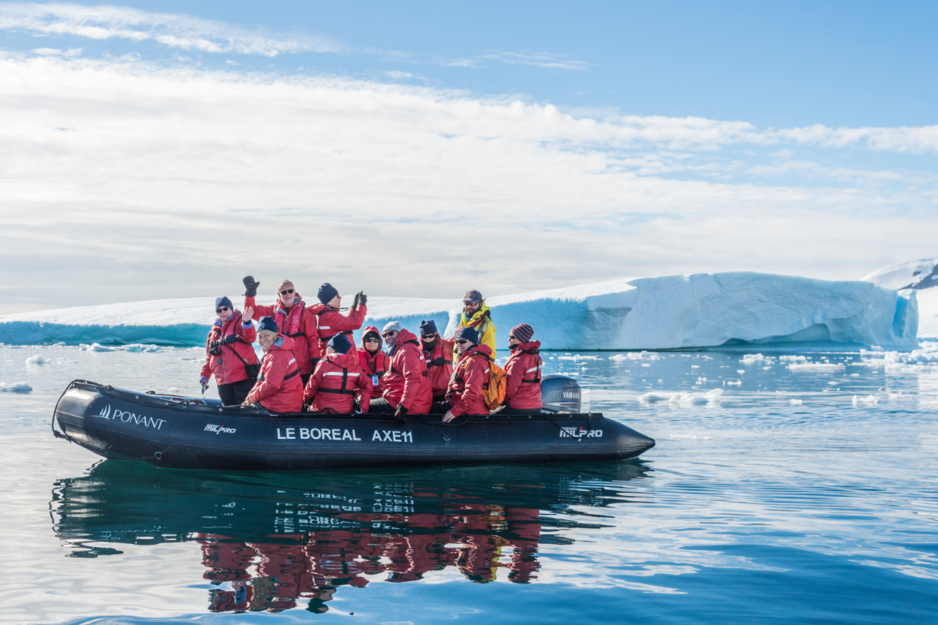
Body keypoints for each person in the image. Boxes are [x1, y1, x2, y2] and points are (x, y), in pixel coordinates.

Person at [242, 276, 320, 388]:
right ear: (279, 294)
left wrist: (315, 361)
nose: (287, 294)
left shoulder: (305, 314)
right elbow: (250, 311)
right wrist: (250, 293)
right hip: (278, 367)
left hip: (302, 368)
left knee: (301, 401)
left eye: (290, 291)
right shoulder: (272, 311)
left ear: (295, 292)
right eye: (284, 292)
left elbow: (313, 339)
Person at [200, 297, 259, 406]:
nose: (223, 312)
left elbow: (250, 337)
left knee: (245, 409)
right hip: (223, 383)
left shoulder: (239, 323)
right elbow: (209, 357)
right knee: (229, 411)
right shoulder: (213, 334)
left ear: (231, 308)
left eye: (225, 308)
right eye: (219, 310)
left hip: (242, 379)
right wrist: (204, 376)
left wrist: (247, 322)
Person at [370, 321, 432, 418]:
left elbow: (413, 379)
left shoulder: (406, 350)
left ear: (399, 333)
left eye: (391, 333)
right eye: (384, 335)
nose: (387, 337)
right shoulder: (401, 348)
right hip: (405, 401)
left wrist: (403, 407)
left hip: (409, 405)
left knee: (363, 405)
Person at [243, 317, 304, 414]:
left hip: (282, 405)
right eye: (260, 336)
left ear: (276, 335)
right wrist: (250, 395)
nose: (263, 340)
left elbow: (271, 385)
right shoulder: (274, 351)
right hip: (283, 401)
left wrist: (252, 398)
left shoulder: (278, 355)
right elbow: (262, 380)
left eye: (267, 335)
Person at [304, 334, 372, 414]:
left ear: (332, 349)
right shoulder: (354, 366)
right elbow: (368, 384)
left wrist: (304, 400)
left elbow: (311, 388)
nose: (326, 350)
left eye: (327, 347)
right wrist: (363, 408)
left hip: (321, 410)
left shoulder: (323, 364)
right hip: (346, 411)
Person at [442, 326, 494, 422]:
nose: (458, 344)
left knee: (430, 410)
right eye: (457, 341)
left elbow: (472, 392)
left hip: (470, 411)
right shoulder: (467, 358)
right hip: (460, 405)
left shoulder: (475, 362)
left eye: (462, 341)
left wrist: (454, 412)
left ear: (473, 342)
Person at [308, 283, 368, 358]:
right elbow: (356, 323)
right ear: (330, 300)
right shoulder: (330, 317)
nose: (340, 298)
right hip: (341, 361)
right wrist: (361, 305)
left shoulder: (326, 315)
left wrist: (354, 307)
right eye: (337, 296)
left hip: (338, 360)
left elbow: (347, 325)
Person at [501, 323, 543, 415]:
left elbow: (510, 389)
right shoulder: (536, 356)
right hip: (536, 405)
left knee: (490, 416)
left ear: (521, 339)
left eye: (512, 337)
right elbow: (538, 381)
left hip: (518, 407)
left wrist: (499, 401)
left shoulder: (518, 360)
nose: (509, 339)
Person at [419, 320, 454, 403]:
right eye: (424, 337)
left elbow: (463, 336)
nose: (427, 339)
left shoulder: (447, 345)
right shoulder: (417, 350)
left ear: (435, 334)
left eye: (430, 336)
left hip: (445, 394)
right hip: (425, 395)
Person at [454, 290, 496, 356]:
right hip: (459, 363)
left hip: (473, 364)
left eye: (473, 303)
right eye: (466, 303)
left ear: (481, 303)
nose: (469, 306)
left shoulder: (486, 324)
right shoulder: (463, 320)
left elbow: (490, 352)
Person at [358, 325, 389, 396]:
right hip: (361, 395)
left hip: (381, 396)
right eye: (368, 340)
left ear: (379, 343)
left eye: (375, 340)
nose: (372, 342)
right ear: (363, 342)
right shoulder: (356, 357)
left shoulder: (385, 358)